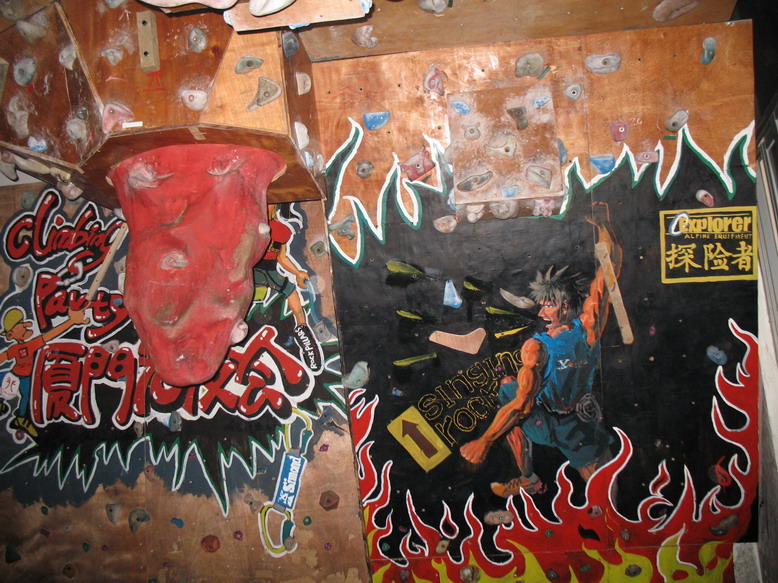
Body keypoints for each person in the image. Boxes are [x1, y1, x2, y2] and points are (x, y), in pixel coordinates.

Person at [460, 203, 621, 497]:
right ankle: (529, 478)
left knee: (604, 495)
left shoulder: (542, 345)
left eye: (547, 306)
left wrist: (484, 441)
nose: (541, 312)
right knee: (508, 387)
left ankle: (534, 479)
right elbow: (608, 272)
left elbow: (521, 406)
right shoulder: (587, 328)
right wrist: (604, 227)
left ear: (563, 305)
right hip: (545, 417)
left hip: (573, 424)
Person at [0, 305, 90, 439]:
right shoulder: (24, 347)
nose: (26, 324)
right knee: (12, 388)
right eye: (20, 324)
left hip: (28, 377)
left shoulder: (28, 345)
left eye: (23, 322)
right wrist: (71, 321)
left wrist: (71, 321)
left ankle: (21, 418)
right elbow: (48, 336)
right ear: (10, 334)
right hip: (16, 375)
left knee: (26, 397)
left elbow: (49, 336)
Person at [252, 204, 318, 364]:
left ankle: (302, 328)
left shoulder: (280, 230)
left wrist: (297, 273)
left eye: (270, 205)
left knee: (291, 291)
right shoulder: (249, 226)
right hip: (253, 271)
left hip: (271, 270)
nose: (267, 208)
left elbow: (281, 257)